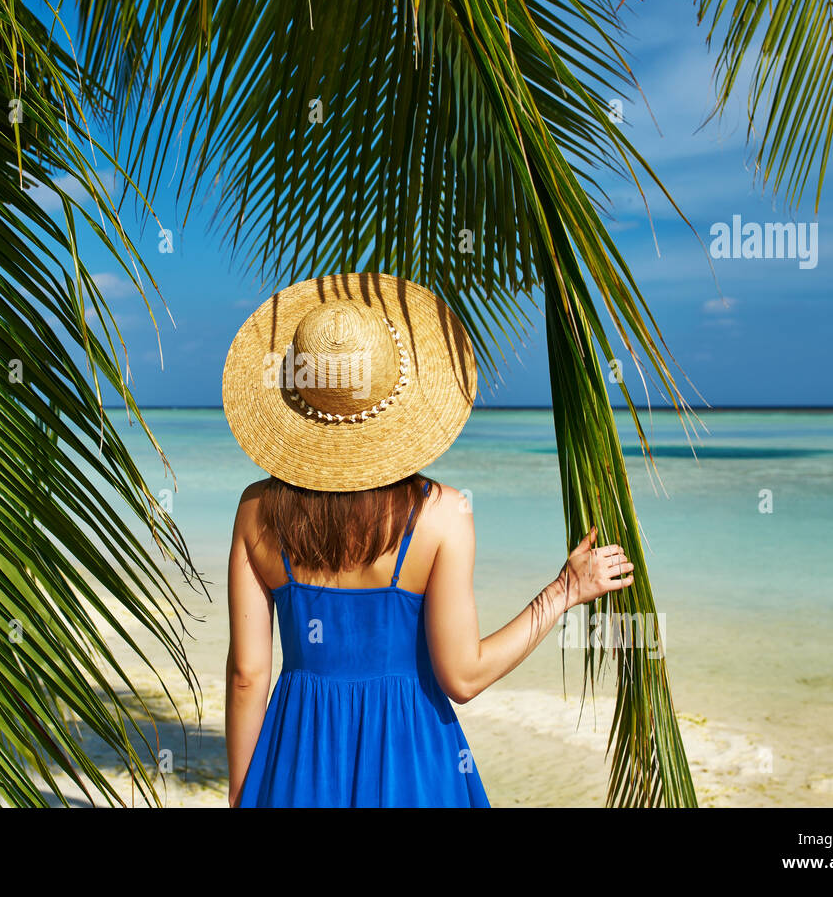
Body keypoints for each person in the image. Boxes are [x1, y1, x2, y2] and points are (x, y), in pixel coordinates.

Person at [220, 272, 633, 807]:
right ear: (398, 401)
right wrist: (564, 591)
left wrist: (241, 794)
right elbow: (463, 677)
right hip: (414, 764)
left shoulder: (257, 511)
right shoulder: (444, 514)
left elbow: (247, 675)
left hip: (299, 760)